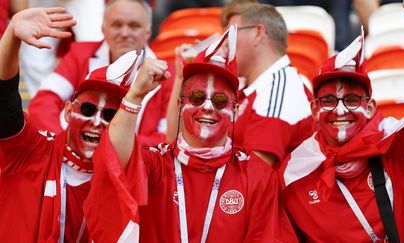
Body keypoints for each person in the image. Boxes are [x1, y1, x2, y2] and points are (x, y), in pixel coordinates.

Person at [84, 26, 298, 242]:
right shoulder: (155, 164)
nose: (207, 107)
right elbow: (113, 159)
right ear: (179, 104)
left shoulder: (257, 176)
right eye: (196, 98)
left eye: (220, 101)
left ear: (234, 109)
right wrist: (135, 95)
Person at [279, 30, 404, 242]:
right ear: (314, 110)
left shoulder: (398, 143)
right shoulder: (294, 173)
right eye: (329, 101)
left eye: (351, 100)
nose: (340, 111)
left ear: (369, 108)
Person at [0, 7, 133, 242]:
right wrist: (11, 35)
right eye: (88, 109)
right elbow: (4, 101)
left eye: (109, 115)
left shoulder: (123, 179)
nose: (96, 121)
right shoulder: (33, 149)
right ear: (69, 111)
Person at [28, 0, 171, 146]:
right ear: (103, 29)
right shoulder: (81, 53)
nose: (124, 33)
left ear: (148, 32)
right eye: (117, 25)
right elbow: (43, 102)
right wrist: (63, 144)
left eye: (134, 26)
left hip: (131, 164)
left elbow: (166, 138)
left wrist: (111, 146)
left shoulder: (167, 74)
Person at [221, 3, 314, 166]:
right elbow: (178, 140)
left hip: (268, 191)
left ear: (258, 33)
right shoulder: (248, 85)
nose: (224, 44)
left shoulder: (281, 86)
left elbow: (256, 172)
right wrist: (181, 77)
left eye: (230, 34)